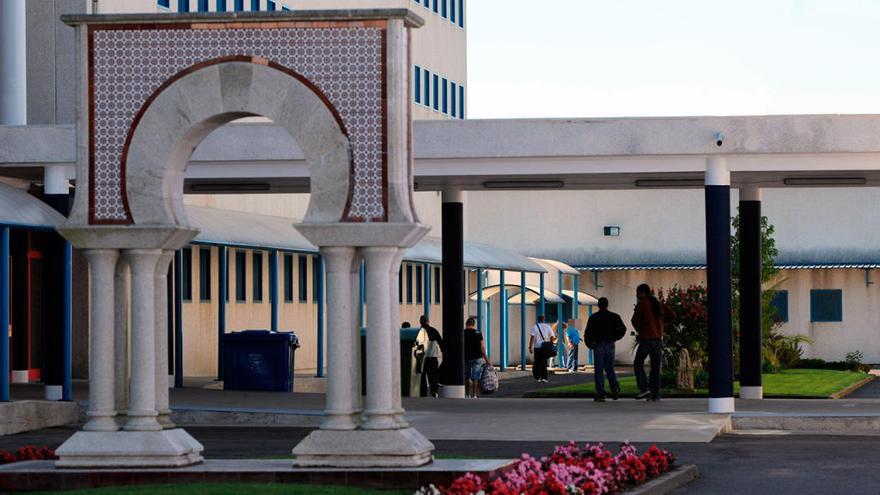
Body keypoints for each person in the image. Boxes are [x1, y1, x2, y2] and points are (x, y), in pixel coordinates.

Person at [631, 284, 676, 401]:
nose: (637, 294)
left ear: (643, 293)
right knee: (655, 367)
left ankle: (644, 388)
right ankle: (655, 394)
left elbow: (634, 321)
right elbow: (672, 315)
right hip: (658, 339)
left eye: (638, 292)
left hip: (647, 339)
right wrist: (662, 324)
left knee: (638, 363)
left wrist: (641, 331)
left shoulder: (642, 305)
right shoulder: (658, 304)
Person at [584, 297, 626, 402]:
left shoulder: (594, 317)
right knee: (610, 368)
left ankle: (601, 393)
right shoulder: (614, 317)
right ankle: (615, 389)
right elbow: (623, 329)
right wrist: (615, 338)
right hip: (610, 344)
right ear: (607, 305)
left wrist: (590, 344)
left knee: (599, 370)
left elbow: (588, 332)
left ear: (598, 305)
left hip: (598, 344)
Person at [463, 316, 490, 398]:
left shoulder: (462, 333)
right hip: (477, 357)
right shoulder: (478, 333)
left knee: (466, 377)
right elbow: (482, 347)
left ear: (466, 324)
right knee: (475, 377)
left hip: (466, 357)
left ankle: (467, 394)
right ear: (473, 324)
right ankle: (475, 395)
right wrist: (486, 359)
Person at [419, 315, 443, 398]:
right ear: (428, 321)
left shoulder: (420, 331)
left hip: (422, 358)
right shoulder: (434, 331)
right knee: (433, 377)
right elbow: (441, 343)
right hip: (432, 357)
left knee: (422, 377)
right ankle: (434, 391)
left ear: (420, 322)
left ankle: (423, 393)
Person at [528, 315, 556, 383]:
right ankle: (544, 378)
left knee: (537, 362)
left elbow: (532, 337)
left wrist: (530, 347)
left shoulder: (535, 327)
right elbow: (552, 336)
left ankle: (538, 377)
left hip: (537, 347)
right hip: (545, 347)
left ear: (538, 319)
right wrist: (551, 343)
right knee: (544, 362)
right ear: (543, 319)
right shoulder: (548, 326)